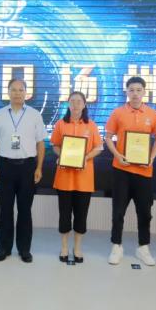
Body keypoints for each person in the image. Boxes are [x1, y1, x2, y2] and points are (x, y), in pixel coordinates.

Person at [105, 76, 156, 266]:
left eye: (139, 90)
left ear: (144, 92)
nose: (135, 94)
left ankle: (143, 247)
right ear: (127, 92)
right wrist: (117, 155)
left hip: (144, 172)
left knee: (145, 212)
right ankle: (116, 246)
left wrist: (151, 158)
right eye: (131, 90)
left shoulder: (153, 114)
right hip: (121, 170)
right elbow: (108, 137)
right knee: (118, 211)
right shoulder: (118, 113)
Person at [0, 79, 47, 263]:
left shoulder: (34, 115)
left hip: (27, 167)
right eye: (14, 90)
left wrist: (39, 167)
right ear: (8, 92)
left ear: (26, 93)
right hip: (4, 167)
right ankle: (4, 249)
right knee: (5, 210)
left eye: (21, 90)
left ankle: (24, 249)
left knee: (25, 210)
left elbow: (40, 144)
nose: (17, 93)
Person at [50, 91, 103, 263]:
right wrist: (62, 155)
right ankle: (64, 247)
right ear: (68, 104)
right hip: (64, 178)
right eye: (72, 101)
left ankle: (78, 247)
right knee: (64, 215)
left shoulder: (91, 125)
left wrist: (85, 158)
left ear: (84, 104)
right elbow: (55, 145)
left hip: (84, 179)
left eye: (79, 101)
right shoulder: (60, 124)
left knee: (81, 215)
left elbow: (98, 147)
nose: (75, 104)